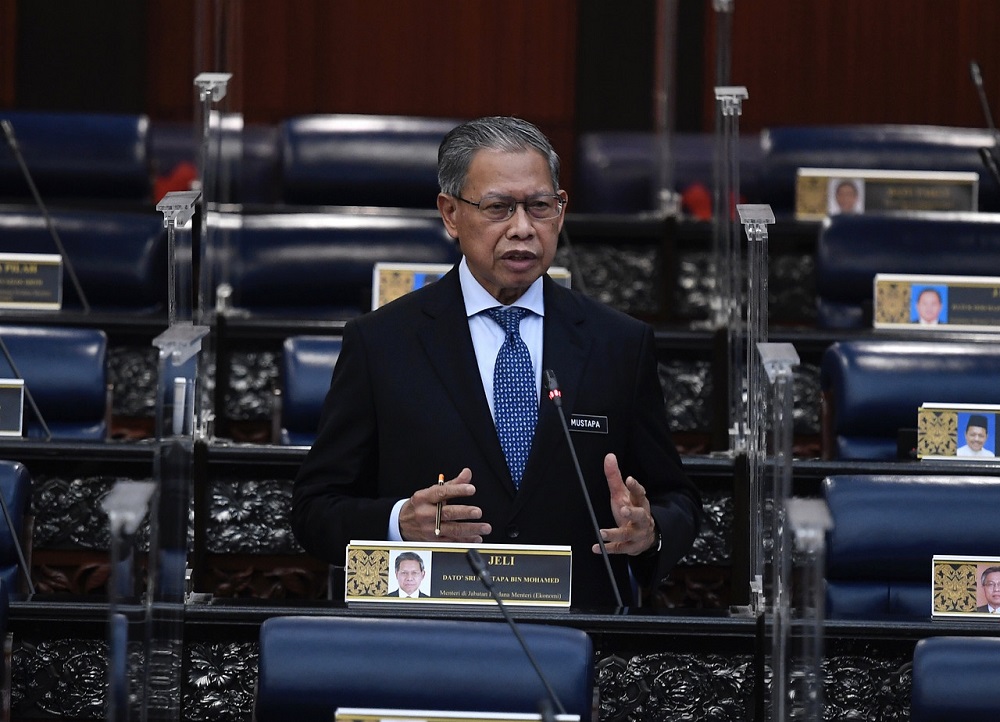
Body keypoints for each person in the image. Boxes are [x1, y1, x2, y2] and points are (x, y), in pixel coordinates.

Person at [292, 116, 701, 609]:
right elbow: (314, 511)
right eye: (499, 208)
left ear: (562, 209)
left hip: (578, 638)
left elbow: (678, 500)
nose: (523, 229)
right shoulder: (382, 343)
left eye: (540, 206)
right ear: (450, 214)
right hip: (428, 640)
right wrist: (400, 522)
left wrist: (649, 530)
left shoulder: (618, 344)